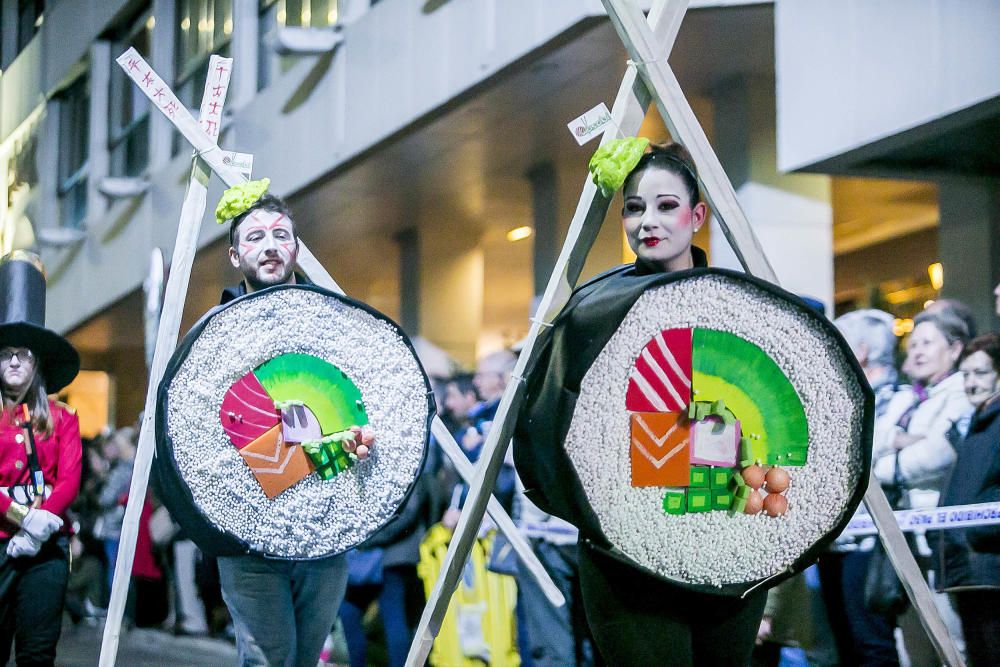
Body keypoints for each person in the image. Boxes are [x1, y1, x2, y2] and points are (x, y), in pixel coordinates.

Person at [515, 140, 767, 665]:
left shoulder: (745, 306)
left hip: (729, 548)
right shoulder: (590, 311)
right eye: (633, 207)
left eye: (666, 205)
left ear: (697, 215)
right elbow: (547, 425)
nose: (647, 220)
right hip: (624, 557)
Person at [214, 180, 349, 667]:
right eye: (255, 237)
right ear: (234, 256)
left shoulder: (338, 324)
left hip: (325, 529)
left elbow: (366, 408)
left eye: (281, 235)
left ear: (296, 248)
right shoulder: (211, 337)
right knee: (268, 659)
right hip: (246, 536)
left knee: (305, 658)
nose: (270, 246)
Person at [872, 309, 972, 666]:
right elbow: (873, 441)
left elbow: (936, 454)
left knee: (951, 642)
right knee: (910, 647)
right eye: (912, 344)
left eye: (927, 343)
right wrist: (897, 439)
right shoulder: (907, 398)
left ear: (955, 349)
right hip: (902, 541)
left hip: (940, 543)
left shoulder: (960, 392)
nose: (916, 351)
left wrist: (887, 463)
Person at [0, 251, 82, 666]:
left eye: (25, 353)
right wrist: (21, 517)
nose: (15, 360)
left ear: (38, 363)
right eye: (6, 352)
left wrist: (40, 524)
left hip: (46, 549)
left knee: (37, 653)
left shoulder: (64, 418)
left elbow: (69, 478)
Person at [937, 332, 1000, 667]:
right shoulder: (974, 426)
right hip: (967, 571)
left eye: (981, 373)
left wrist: (975, 534)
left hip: (988, 570)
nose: (971, 383)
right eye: (966, 374)